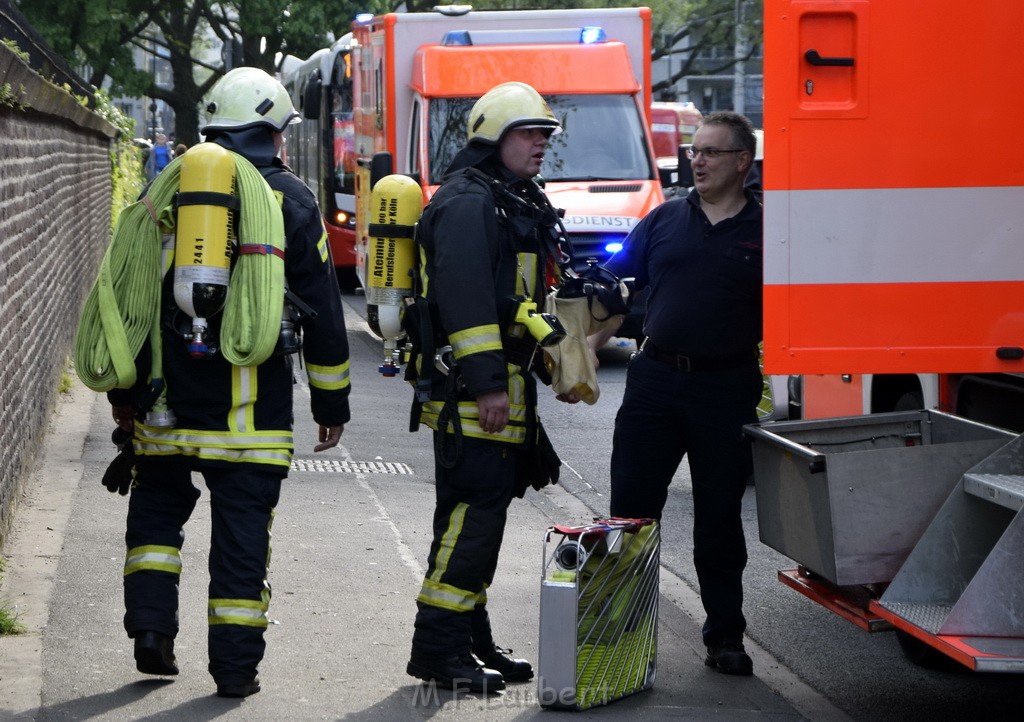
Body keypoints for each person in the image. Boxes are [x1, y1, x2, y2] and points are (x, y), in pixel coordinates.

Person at [106, 67, 352, 697]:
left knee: (156, 523)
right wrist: (332, 401)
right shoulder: (292, 201)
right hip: (251, 417)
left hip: (163, 407)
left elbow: (128, 301)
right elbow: (322, 308)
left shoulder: (160, 196)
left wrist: (125, 398)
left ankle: (152, 633)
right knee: (242, 541)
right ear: (274, 130)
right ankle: (235, 670)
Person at [405, 81, 576, 693]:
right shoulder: (469, 204)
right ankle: (438, 651)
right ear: (495, 138)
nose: (540, 146)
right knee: (471, 524)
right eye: (530, 134)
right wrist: (487, 386)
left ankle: (470, 645)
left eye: (544, 136)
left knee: (479, 523)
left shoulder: (506, 198)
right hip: (475, 398)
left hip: (498, 392)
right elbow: (466, 302)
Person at [590, 111, 763, 676]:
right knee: (632, 514)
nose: (699, 160)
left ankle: (725, 638)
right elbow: (616, 291)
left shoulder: (769, 231)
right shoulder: (662, 220)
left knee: (719, 520)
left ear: (743, 161)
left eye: (712, 152)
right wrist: (588, 348)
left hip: (727, 387)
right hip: (655, 383)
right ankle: (621, 629)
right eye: (694, 151)